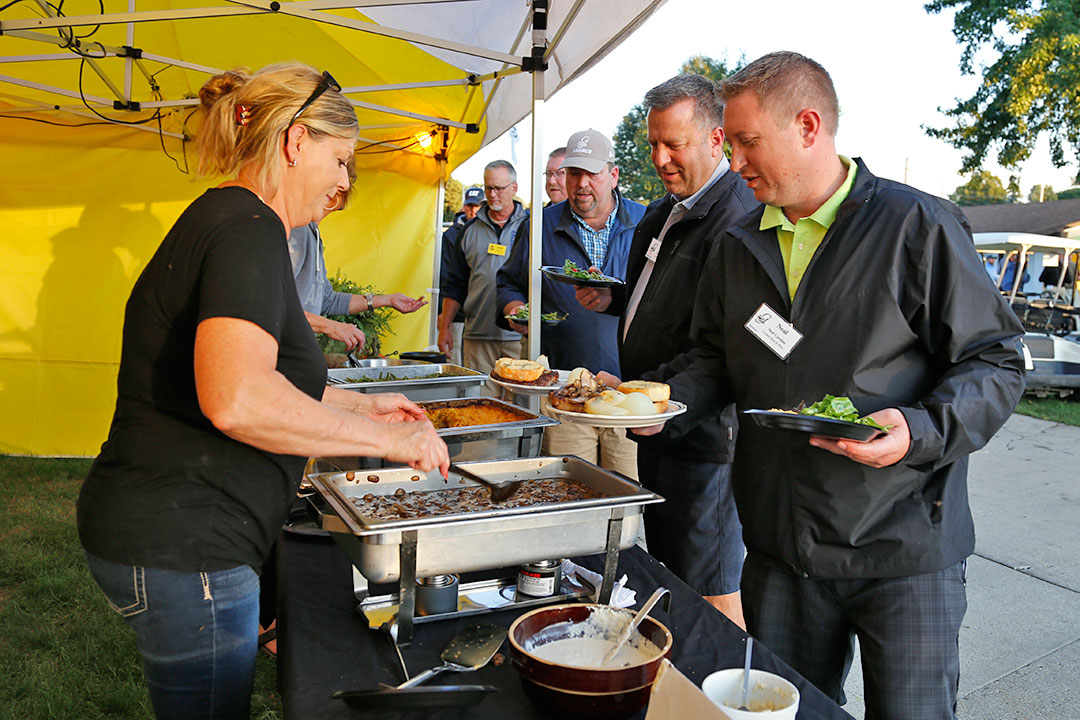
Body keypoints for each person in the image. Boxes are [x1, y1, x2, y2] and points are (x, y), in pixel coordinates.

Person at [635, 52, 1025, 719]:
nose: (734, 161)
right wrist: (662, 404)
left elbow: (995, 359)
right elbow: (714, 359)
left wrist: (922, 431)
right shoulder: (738, 245)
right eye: (729, 143)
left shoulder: (916, 225)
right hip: (782, 550)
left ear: (809, 126)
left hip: (903, 549)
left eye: (748, 142)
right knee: (787, 712)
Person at [76, 63, 450, 720]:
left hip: (162, 532)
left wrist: (362, 405)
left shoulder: (240, 224)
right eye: (340, 160)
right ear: (295, 140)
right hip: (184, 542)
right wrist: (391, 440)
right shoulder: (245, 227)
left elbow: (262, 377)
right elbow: (238, 398)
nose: (343, 183)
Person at [574, 75, 758, 627]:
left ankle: (727, 694)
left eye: (673, 144)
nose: (659, 158)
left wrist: (658, 398)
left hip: (702, 437)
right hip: (654, 423)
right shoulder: (663, 212)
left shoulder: (738, 216)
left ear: (715, 139)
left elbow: (725, 343)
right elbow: (668, 302)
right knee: (671, 572)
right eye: (653, 143)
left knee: (711, 587)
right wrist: (615, 299)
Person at [497, 129, 645, 478]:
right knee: (570, 489)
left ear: (613, 175)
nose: (581, 184)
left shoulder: (646, 221)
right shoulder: (539, 226)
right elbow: (508, 283)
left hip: (628, 392)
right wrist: (514, 309)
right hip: (564, 388)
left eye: (592, 174)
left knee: (628, 494)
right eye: (574, 173)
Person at [288, 170, 428, 353]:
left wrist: (388, 300)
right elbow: (278, 308)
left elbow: (327, 300)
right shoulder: (297, 232)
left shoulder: (313, 233)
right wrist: (330, 326)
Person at [438, 161, 528, 380]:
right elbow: (455, 284)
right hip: (477, 335)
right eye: (488, 188)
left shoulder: (532, 227)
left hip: (520, 338)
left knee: (522, 404)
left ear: (514, 188)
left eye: (499, 188)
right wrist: (444, 328)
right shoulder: (468, 230)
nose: (493, 194)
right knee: (482, 402)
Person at [438, 186, 483, 364]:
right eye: (469, 206)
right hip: (457, 314)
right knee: (457, 358)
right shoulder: (451, 235)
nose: (472, 210)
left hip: (479, 316)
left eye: (476, 206)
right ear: (464, 206)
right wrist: (444, 313)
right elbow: (447, 276)